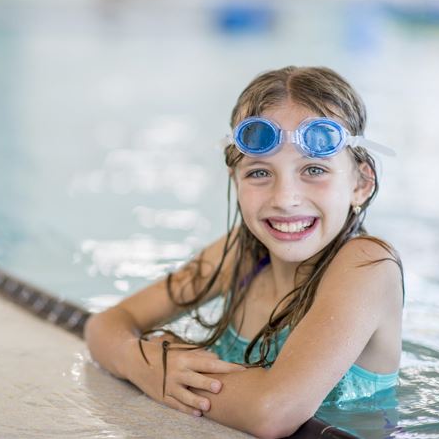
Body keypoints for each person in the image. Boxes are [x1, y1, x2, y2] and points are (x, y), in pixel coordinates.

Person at [84, 66, 404, 438]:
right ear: (234, 178)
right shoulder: (244, 254)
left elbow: (271, 413)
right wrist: (144, 365)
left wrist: (170, 374)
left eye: (314, 169)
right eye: (259, 173)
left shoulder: (367, 265)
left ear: (361, 184)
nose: (285, 199)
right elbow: (105, 324)